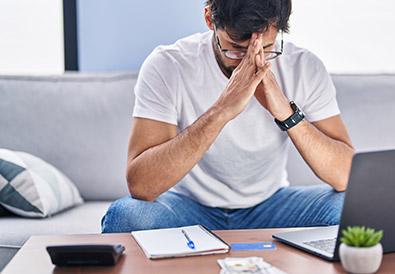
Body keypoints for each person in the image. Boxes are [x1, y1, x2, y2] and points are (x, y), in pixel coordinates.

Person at [101, 0, 354, 233]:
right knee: (126, 216)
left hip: (271, 205)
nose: (252, 61)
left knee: (351, 209)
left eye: (267, 48)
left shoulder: (304, 67)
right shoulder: (168, 64)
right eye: (235, 49)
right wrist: (221, 111)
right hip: (188, 208)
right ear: (210, 20)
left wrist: (286, 114)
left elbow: (346, 175)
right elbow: (141, 185)